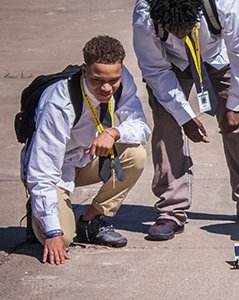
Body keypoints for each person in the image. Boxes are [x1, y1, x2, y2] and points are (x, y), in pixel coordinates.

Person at [133, 0, 239, 241]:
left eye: (186, 28)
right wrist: (185, 117)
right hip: (169, 64)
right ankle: (171, 210)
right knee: (167, 128)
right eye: (173, 30)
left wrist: (234, 105)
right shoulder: (144, 15)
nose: (180, 35)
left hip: (217, 57)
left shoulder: (224, 4)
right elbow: (155, 71)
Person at [22, 35, 150, 265]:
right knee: (64, 237)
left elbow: (141, 127)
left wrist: (113, 133)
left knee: (136, 155)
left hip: (87, 157)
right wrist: (52, 233)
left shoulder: (123, 81)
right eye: (97, 80)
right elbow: (42, 171)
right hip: (56, 170)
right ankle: (39, 213)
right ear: (84, 70)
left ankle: (90, 221)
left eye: (114, 80)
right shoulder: (59, 103)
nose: (106, 88)